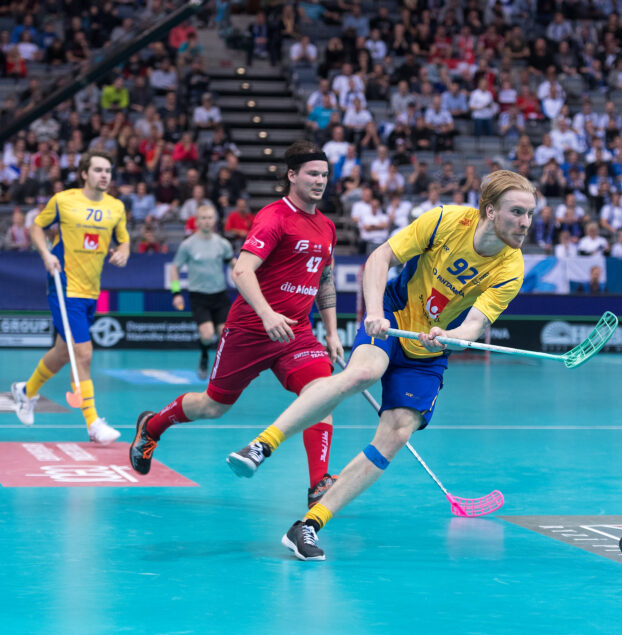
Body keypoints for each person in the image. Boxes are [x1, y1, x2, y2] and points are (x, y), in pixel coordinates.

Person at [226, 170, 536, 560]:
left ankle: (308, 525)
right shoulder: (445, 221)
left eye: (530, 214)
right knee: (363, 372)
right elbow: (381, 256)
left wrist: (452, 336)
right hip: (392, 316)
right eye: (517, 212)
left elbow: (475, 324)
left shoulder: (511, 268)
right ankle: (261, 446)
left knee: (397, 433)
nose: (525, 223)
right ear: (490, 211)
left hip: (428, 352)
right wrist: (374, 311)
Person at [128, 141, 344, 508]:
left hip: (297, 334)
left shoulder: (326, 227)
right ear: (292, 176)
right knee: (213, 406)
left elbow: (325, 280)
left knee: (321, 394)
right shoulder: (274, 217)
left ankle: (318, 483)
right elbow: (242, 270)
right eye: (312, 174)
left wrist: (333, 331)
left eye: (324, 174)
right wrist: (267, 314)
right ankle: (152, 426)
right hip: (251, 328)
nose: (320, 181)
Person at [10, 151, 129, 444]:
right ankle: (93, 424)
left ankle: (25, 393)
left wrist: (123, 251)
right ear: (84, 174)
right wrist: (46, 254)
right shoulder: (64, 200)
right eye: (99, 170)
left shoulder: (116, 207)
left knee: (64, 353)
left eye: (108, 170)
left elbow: (123, 238)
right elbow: (37, 226)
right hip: (64, 287)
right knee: (84, 354)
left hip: (91, 290)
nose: (105, 175)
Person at [169, 205, 236, 379]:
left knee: (224, 335)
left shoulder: (222, 244)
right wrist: (176, 293)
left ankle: (222, 370)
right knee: (207, 335)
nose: (207, 221)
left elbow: (233, 264)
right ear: (197, 222)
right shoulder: (188, 245)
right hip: (199, 297)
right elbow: (175, 268)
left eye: (210, 218)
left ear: (214, 221)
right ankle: (205, 356)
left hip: (220, 295)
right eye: (203, 218)